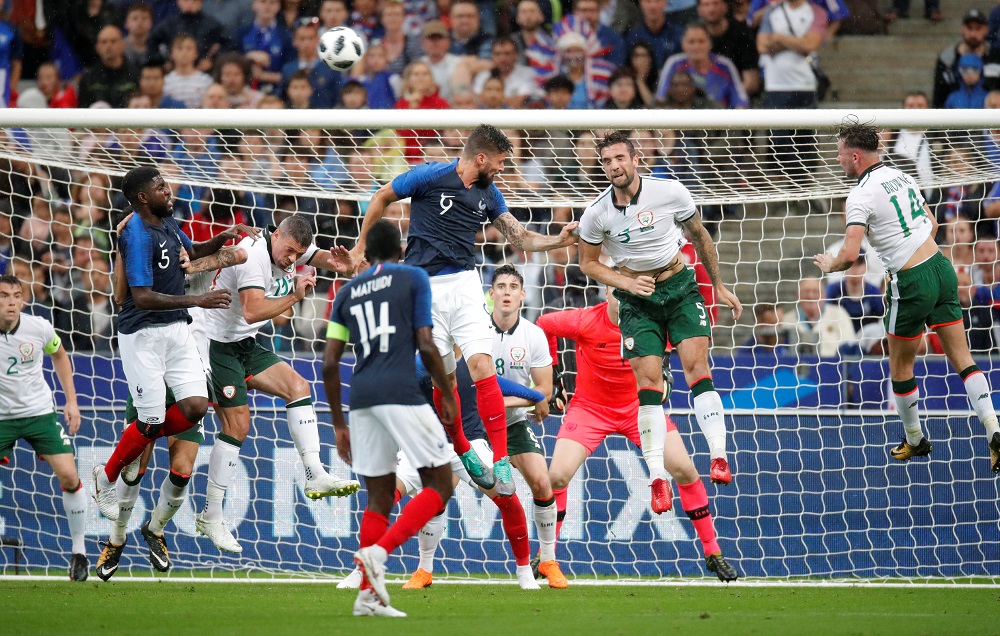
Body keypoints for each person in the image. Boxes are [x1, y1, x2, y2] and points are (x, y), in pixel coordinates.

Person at [348, 124, 579, 497]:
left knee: (481, 366)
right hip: (424, 290)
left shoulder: (490, 195)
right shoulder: (429, 175)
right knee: (446, 381)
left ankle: (500, 461)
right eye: (501, 162)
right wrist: (361, 246)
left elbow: (520, 237)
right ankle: (464, 449)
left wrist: (559, 240)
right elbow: (381, 197)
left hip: (466, 284)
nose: (504, 168)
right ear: (482, 158)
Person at [814, 122, 1000, 470]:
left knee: (900, 364)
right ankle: (994, 429)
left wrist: (830, 264)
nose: (837, 158)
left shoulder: (859, 195)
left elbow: (851, 253)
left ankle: (915, 439)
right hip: (941, 269)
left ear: (855, 156)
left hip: (911, 281)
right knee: (963, 358)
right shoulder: (902, 176)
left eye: (839, 152)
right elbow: (931, 224)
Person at [537, 289, 740, 582]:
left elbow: (683, 342)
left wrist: (666, 366)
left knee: (685, 470)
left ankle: (713, 553)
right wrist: (554, 375)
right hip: (590, 409)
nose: (624, 299)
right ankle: (546, 557)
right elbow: (544, 323)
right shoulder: (585, 321)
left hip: (639, 409)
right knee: (555, 477)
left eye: (630, 292)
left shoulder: (652, 321)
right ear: (607, 292)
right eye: (618, 292)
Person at [577, 130, 742, 485]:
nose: (614, 166)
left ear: (636, 159)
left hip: (680, 286)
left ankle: (719, 457)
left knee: (697, 367)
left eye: (620, 158)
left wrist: (718, 284)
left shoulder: (669, 191)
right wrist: (626, 283)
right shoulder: (596, 213)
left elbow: (699, 234)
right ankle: (656, 478)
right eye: (607, 161)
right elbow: (588, 264)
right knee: (648, 383)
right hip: (637, 301)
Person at [196, 215, 360, 553]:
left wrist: (341, 263)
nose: (290, 259)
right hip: (212, 342)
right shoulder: (253, 254)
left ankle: (314, 472)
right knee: (238, 425)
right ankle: (211, 516)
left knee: (299, 386)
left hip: (242, 342)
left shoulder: (290, 249)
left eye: (295, 254)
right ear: (276, 235)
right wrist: (297, 294)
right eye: (288, 251)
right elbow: (254, 311)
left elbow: (317, 256)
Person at [97, 223, 249, 581]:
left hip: (188, 376)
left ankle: (156, 530)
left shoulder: (186, 253)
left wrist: (222, 238)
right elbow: (121, 297)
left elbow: (231, 254)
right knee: (134, 471)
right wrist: (122, 246)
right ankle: (116, 539)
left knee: (182, 472)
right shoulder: (144, 274)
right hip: (151, 370)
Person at [91, 166, 243, 521]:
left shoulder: (169, 225)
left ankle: (138, 441)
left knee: (194, 407)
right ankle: (106, 476)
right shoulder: (137, 234)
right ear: (143, 197)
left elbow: (196, 250)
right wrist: (197, 301)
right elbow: (141, 297)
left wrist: (225, 235)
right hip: (142, 335)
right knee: (151, 417)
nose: (169, 190)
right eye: (161, 187)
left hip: (175, 329)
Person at [322, 220, 458, 618]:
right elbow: (426, 343)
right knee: (441, 483)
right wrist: (447, 393)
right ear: (401, 251)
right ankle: (377, 554)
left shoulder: (346, 293)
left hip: (361, 398)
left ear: (368, 255)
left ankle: (367, 597)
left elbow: (330, 362)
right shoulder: (413, 277)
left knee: (379, 496)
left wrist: (338, 423)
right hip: (401, 392)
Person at [0, 275, 88, 581]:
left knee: (69, 476)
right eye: (3, 296)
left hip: (39, 413)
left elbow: (60, 356)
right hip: (1, 417)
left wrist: (71, 402)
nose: (10, 302)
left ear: (23, 300)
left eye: (15, 296)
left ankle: (79, 553)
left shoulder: (38, 327)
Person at [486, 265, 564, 587]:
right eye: (500, 286)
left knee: (542, 483)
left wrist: (505, 404)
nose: (506, 291)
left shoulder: (534, 334)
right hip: (474, 424)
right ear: (491, 295)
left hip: (514, 423)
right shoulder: (473, 330)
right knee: (441, 485)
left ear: (522, 294)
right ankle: (424, 568)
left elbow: (544, 391)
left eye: (512, 286)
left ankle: (547, 561)